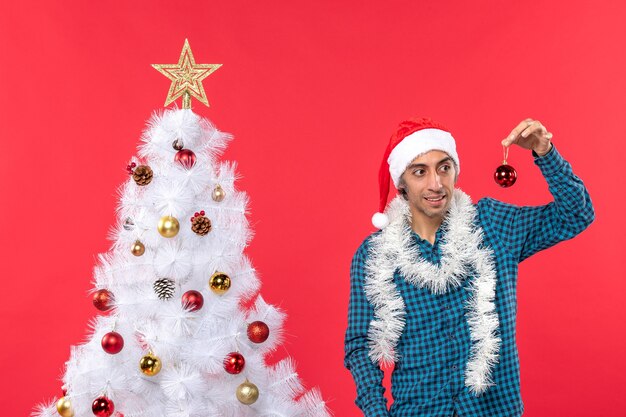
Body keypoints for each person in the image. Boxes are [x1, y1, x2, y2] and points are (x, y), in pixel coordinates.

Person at [343, 117, 595, 417]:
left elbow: (576, 215)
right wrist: (375, 412)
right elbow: (360, 345)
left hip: (494, 410)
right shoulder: (374, 255)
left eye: (444, 168)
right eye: (420, 172)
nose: (436, 184)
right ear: (402, 183)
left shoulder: (492, 224)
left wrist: (545, 151)